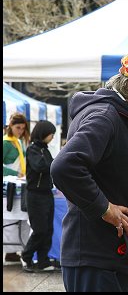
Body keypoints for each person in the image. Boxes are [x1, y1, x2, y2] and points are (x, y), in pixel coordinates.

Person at [50, 49, 128, 292]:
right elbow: (65, 166)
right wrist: (105, 209)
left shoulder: (117, 116)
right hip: (98, 260)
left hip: (109, 259)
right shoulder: (105, 116)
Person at [20, 120, 57, 272]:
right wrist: (55, 164)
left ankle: (43, 260)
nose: (52, 137)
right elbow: (40, 166)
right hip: (35, 195)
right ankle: (26, 256)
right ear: (44, 133)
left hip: (47, 193)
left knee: (48, 229)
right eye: (51, 134)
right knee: (40, 229)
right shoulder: (33, 149)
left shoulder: (45, 150)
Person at [3, 112, 30, 263]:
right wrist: (15, 173)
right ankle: (10, 251)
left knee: (19, 221)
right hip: (8, 186)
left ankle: (15, 250)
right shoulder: (6, 143)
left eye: (22, 128)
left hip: (20, 185)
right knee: (9, 221)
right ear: (10, 126)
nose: (20, 131)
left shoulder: (19, 142)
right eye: (18, 127)